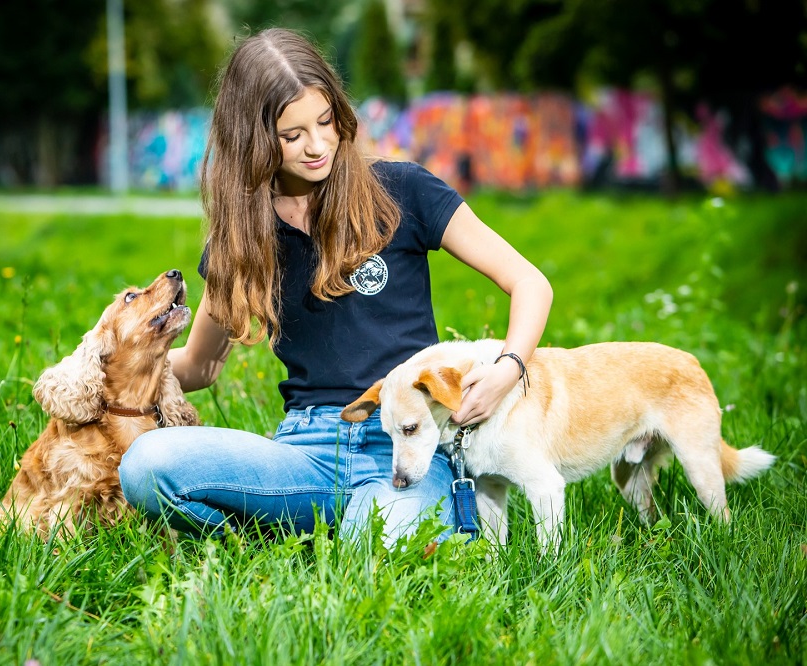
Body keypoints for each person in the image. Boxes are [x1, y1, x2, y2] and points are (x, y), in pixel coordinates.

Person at [118, 28, 552, 545]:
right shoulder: (240, 242)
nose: (318, 145)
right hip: (302, 450)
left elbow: (528, 281)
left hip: (405, 443)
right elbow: (200, 365)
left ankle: (313, 533)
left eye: (325, 122)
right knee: (145, 466)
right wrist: (111, 367)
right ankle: (265, 535)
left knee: (378, 543)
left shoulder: (402, 191)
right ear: (253, 140)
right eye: (292, 134)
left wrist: (509, 369)